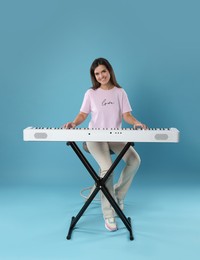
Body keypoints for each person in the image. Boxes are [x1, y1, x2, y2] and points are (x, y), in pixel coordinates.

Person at [64, 58, 147, 232]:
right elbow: (82, 114)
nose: (101, 76)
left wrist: (136, 122)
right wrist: (73, 123)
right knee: (107, 168)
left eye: (103, 71)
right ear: (94, 76)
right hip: (94, 137)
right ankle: (109, 214)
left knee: (135, 160)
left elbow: (127, 115)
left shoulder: (120, 92)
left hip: (115, 136)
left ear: (109, 70)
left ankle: (118, 195)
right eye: (97, 73)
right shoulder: (91, 94)